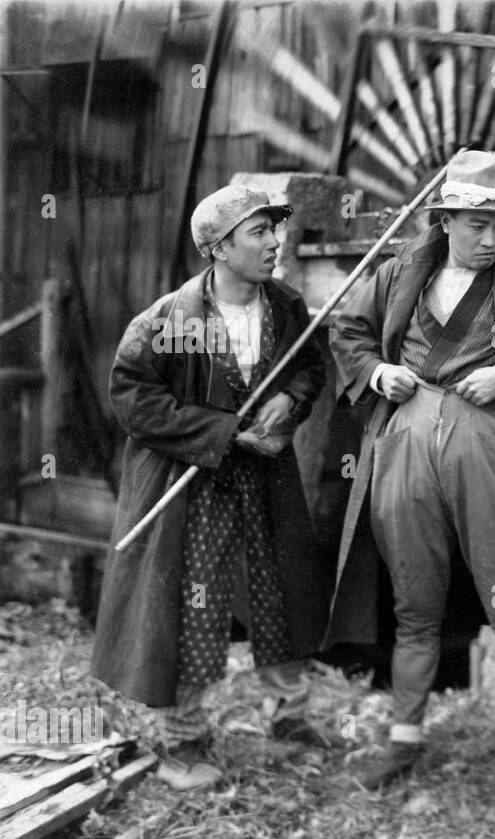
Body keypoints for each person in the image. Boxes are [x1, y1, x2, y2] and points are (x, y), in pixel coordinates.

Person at [324, 151, 495, 799]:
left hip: (492, 446)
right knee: (413, 603)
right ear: (444, 219)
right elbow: (348, 329)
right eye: (477, 223)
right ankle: (403, 738)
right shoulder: (399, 272)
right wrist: (374, 373)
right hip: (407, 444)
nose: (491, 238)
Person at [91, 185, 332, 791]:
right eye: (259, 233)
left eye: (275, 229)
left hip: (267, 481)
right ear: (219, 248)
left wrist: (289, 399)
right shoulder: (170, 321)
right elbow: (136, 400)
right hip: (192, 483)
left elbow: (309, 367)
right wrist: (224, 432)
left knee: (280, 594)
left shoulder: (286, 309)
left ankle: (292, 723)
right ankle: (184, 740)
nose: (275, 242)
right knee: (191, 606)